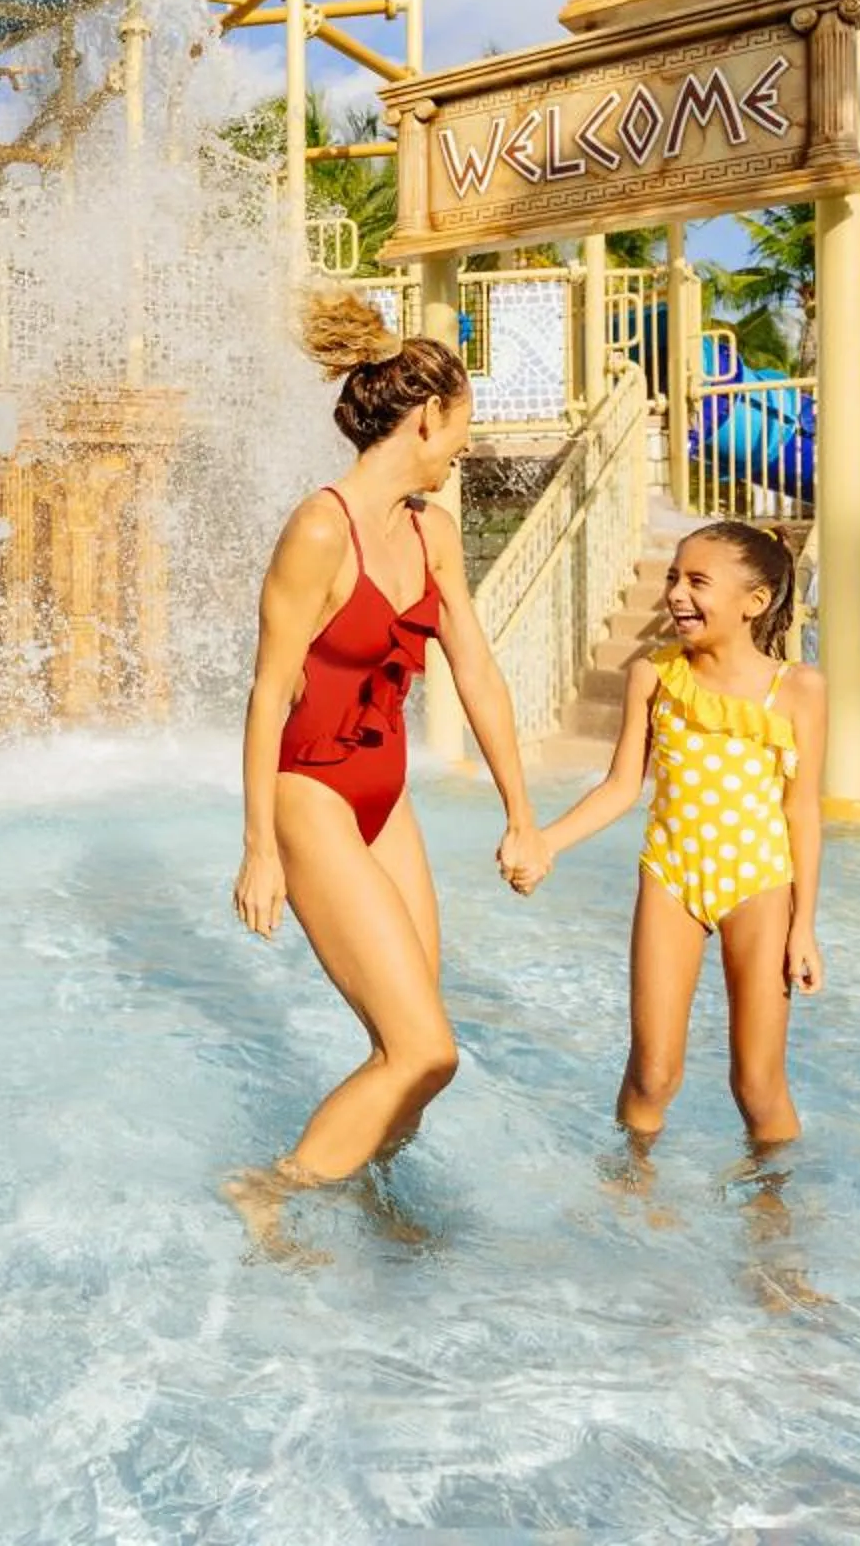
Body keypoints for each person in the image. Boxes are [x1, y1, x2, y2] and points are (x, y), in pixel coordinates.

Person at [227, 288, 544, 1259]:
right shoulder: (320, 530)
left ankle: (367, 1190)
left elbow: (476, 670)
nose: (460, 455)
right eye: (460, 436)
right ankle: (267, 1190)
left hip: (385, 798)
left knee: (416, 1053)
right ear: (426, 418)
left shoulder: (431, 531)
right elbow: (268, 692)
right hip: (312, 795)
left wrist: (521, 813)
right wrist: (259, 848)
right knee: (425, 1047)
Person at [503, 521, 827, 1148]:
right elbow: (621, 786)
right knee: (652, 1074)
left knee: (757, 1086)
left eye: (697, 581)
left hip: (760, 886)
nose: (677, 593)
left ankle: (774, 1202)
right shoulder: (653, 676)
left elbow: (802, 811)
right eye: (674, 578)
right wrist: (546, 842)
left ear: (754, 602)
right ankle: (631, 1185)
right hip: (671, 878)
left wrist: (804, 926)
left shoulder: (798, 689)